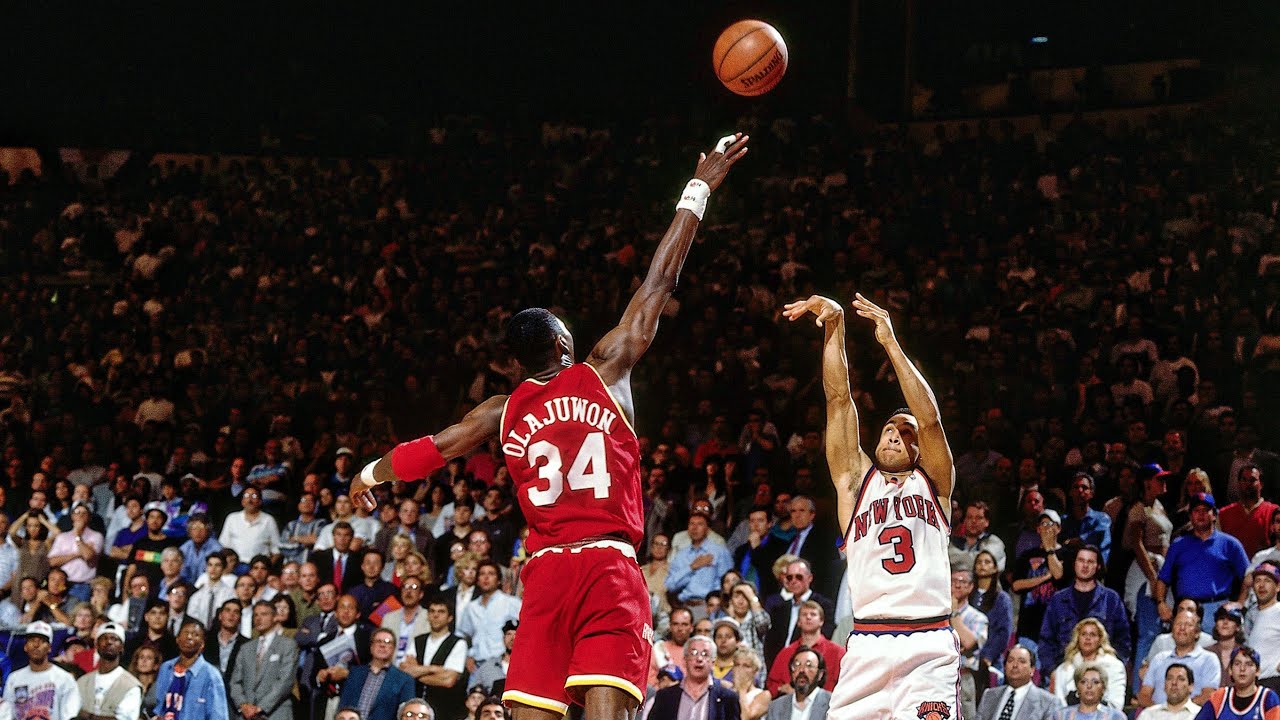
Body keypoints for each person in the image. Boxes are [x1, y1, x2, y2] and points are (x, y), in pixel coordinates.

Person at [351, 133, 750, 720]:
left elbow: (432, 450)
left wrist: (369, 472)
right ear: (565, 345)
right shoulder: (604, 370)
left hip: (543, 577)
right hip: (606, 569)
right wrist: (698, 190)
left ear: (513, 364)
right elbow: (657, 284)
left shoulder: (499, 409)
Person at [783, 293, 958, 720]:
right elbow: (839, 399)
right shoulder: (854, 481)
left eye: (907, 431)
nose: (897, 434)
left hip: (927, 640)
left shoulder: (934, 484)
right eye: (890, 428)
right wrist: (835, 328)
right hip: (867, 641)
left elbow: (931, 418)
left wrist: (890, 344)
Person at [1155, 493, 1249, 633]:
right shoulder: (1178, 545)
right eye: (1196, 511)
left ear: (1214, 515)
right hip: (1186, 609)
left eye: (1205, 510)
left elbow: (1249, 576)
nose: (1201, 515)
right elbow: (1163, 579)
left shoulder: (1230, 544)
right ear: (1190, 516)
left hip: (1217, 608)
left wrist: (1240, 603)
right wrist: (1161, 603)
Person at [1037, 545, 1131, 674]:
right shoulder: (1058, 600)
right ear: (1074, 564)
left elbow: (1123, 640)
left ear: (1098, 566)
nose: (1085, 566)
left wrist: (1112, 668)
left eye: (1090, 562)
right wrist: (1053, 671)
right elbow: (1046, 640)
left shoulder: (1111, 599)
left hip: (1101, 673)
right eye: (1081, 560)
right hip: (1064, 669)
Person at [229, 600, 299, 720]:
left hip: (275, 713)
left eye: (264, 614)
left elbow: (285, 681)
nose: (259, 618)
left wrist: (260, 707)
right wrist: (243, 705)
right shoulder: (246, 648)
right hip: (246, 715)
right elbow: (235, 682)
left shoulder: (288, 645)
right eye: (256, 615)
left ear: (275, 617)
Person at [641, 635, 740, 720]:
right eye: (693, 653)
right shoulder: (664, 696)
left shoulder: (728, 698)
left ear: (713, 663)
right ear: (684, 660)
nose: (699, 659)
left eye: (705, 654)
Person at [401, 596, 468, 720]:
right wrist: (436, 669)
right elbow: (405, 670)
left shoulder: (458, 643)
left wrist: (417, 672)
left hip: (444, 710)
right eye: (432, 611)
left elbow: (448, 681)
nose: (435, 615)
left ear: (450, 618)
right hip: (417, 708)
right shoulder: (418, 640)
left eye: (441, 612)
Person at [1139, 610, 1221, 708]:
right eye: (1178, 624)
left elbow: (1208, 695)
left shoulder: (1209, 659)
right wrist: (1161, 712)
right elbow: (1144, 695)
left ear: (1197, 633)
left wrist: (1178, 710)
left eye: (1188, 625)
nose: (1182, 628)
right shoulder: (1159, 658)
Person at [2, 621, 80, 720]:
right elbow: (7, 714)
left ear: (49, 648)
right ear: (25, 646)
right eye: (32, 640)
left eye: (42, 641)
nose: (36, 645)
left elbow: (70, 715)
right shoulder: (14, 678)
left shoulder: (64, 678)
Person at [153, 619, 228, 720]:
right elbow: (158, 705)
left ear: (202, 644)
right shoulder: (166, 668)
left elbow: (218, 716)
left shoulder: (211, 675)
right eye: (186, 633)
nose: (189, 637)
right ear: (177, 639)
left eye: (195, 634)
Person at [666, 509, 734, 621]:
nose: (694, 528)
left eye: (700, 524)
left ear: (707, 529)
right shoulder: (681, 555)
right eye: (691, 524)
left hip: (709, 607)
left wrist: (715, 604)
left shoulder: (719, 552)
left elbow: (727, 583)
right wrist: (692, 567)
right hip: (685, 606)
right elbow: (670, 585)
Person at [764, 601, 843, 696]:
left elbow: (847, 683)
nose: (808, 617)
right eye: (804, 614)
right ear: (798, 622)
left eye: (813, 614)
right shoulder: (786, 653)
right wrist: (782, 688)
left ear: (821, 621)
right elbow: (772, 683)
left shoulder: (837, 652)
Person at [338, 627, 417, 720]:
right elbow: (343, 706)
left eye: (387, 642)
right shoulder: (355, 673)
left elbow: (406, 714)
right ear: (371, 647)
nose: (382, 645)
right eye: (378, 641)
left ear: (393, 649)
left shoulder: (404, 680)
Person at [1050, 619, 1127, 710]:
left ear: (1100, 639)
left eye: (1092, 635)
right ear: (1077, 638)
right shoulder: (1064, 669)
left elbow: (1116, 704)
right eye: (1084, 634)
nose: (1088, 638)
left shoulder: (1114, 666)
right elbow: (1059, 705)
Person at [975, 645, 1064, 720]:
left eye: (1022, 661)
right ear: (1005, 667)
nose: (1015, 665)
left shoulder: (1049, 703)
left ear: (1032, 669)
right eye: (1010, 661)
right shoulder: (989, 695)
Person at [75, 622, 143, 720]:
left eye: (114, 639)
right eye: (104, 638)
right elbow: (72, 713)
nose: (109, 642)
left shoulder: (131, 685)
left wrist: (88, 716)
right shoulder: (83, 681)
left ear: (122, 647)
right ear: (97, 645)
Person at [1194, 646, 1280, 720]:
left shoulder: (1268, 698)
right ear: (1230, 670)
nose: (1242, 668)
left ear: (1258, 671)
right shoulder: (1220, 697)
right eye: (1237, 664)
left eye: (1249, 664)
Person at [764, 646, 830, 720]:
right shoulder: (776, 707)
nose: (801, 670)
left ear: (820, 675)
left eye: (809, 665)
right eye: (797, 665)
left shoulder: (831, 703)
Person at [1051, 665, 1125, 720]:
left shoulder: (1115, 717)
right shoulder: (1061, 716)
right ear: (1077, 687)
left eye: (1095, 682)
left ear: (1103, 688)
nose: (1089, 686)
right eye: (1083, 682)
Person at [730, 647, 770, 720]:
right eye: (737, 665)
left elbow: (746, 718)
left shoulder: (763, 695)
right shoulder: (726, 692)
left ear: (755, 671)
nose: (740, 669)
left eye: (746, 666)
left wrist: (742, 689)